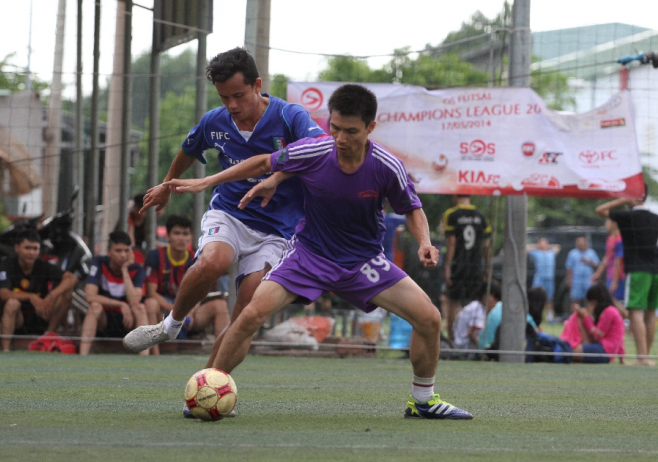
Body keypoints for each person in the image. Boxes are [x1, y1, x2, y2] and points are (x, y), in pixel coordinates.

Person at [170, 84, 473, 419]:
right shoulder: (314, 150)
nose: (341, 138)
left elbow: (412, 208)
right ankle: (209, 390)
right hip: (308, 257)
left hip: (362, 263)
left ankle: (423, 402)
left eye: (351, 131)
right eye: (335, 128)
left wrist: (425, 243)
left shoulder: (387, 166)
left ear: (371, 128)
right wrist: (208, 181)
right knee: (250, 315)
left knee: (429, 318)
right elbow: (262, 162)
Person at [123, 47, 325, 364]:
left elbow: (320, 149)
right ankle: (170, 325)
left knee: (245, 314)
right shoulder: (215, 122)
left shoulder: (290, 116)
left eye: (238, 95)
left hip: (278, 229)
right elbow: (188, 150)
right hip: (230, 213)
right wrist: (166, 186)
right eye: (223, 98)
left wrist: (277, 177)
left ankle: (210, 384)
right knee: (212, 263)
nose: (231, 105)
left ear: (257, 85)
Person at [143, 215, 230, 355]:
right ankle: (154, 354)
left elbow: (199, 293)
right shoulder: (155, 256)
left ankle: (221, 358)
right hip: (164, 311)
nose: (181, 238)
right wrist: (177, 313)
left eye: (185, 234)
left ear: (191, 237)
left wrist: (188, 313)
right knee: (150, 303)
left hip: (190, 312)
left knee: (219, 305)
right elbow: (151, 293)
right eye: (177, 233)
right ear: (168, 236)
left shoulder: (198, 259)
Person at [596, 192, 658, 366]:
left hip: (637, 270)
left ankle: (642, 357)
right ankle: (647, 356)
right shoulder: (655, 218)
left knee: (635, 311)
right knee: (651, 312)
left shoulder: (627, 216)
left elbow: (600, 210)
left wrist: (622, 200)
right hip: (656, 270)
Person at [0, 230, 77, 352]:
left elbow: (72, 278)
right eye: (27, 248)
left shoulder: (43, 265)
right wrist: (31, 296)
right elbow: (3, 294)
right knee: (12, 303)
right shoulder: (7, 264)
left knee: (67, 293)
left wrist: (52, 295)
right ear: (17, 248)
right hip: (18, 319)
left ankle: (48, 336)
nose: (31, 252)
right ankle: (6, 350)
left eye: (35, 249)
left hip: (41, 314)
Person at [80, 231, 148, 356]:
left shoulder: (137, 269)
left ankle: (144, 357)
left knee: (140, 308)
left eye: (126, 250)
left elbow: (134, 301)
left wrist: (124, 270)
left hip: (128, 321)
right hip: (104, 318)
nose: (123, 255)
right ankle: (82, 355)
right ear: (109, 252)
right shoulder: (99, 262)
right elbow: (90, 296)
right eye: (118, 251)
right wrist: (121, 304)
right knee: (94, 306)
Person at [442, 195, 491, 343]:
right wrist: (487, 265)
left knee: (454, 301)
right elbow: (486, 245)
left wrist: (448, 266)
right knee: (477, 302)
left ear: (455, 196)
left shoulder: (451, 214)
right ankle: (476, 340)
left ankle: (453, 341)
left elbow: (451, 242)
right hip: (476, 265)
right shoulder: (481, 216)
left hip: (459, 264)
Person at [560, 283, 625, 363]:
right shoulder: (609, 311)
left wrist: (586, 317)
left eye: (591, 302)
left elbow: (597, 335)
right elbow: (620, 336)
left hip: (605, 350)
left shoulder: (609, 311)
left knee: (569, 352)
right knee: (570, 352)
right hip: (606, 350)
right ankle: (584, 347)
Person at [591, 218, 626, 316]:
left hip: (618, 276)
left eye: (607, 222)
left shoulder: (619, 239)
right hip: (609, 275)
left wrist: (615, 281)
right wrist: (598, 273)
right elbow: (606, 257)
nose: (605, 224)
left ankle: (630, 318)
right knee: (610, 300)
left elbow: (618, 260)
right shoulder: (610, 238)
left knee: (612, 299)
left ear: (614, 223)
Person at [526, 237, 561, 322]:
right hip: (540, 278)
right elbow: (526, 248)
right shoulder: (536, 252)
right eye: (541, 242)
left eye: (545, 242)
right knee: (536, 297)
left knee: (550, 298)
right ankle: (535, 314)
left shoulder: (551, 253)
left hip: (549, 278)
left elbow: (558, 247)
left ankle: (550, 317)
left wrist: (548, 246)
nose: (543, 244)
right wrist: (537, 246)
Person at [451, 285, 486, 355]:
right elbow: (471, 333)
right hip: (464, 349)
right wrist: (484, 354)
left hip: (458, 343)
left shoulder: (473, 305)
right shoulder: (478, 308)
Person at [565, 236, 599, 307]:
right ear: (576, 244)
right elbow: (569, 268)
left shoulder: (591, 253)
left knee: (589, 299)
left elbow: (597, 266)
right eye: (579, 243)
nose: (581, 244)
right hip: (576, 281)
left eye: (583, 243)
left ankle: (589, 316)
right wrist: (569, 280)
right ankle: (575, 316)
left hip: (588, 280)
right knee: (575, 300)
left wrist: (589, 261)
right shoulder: (572, 254)